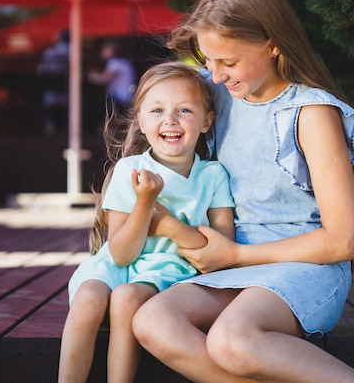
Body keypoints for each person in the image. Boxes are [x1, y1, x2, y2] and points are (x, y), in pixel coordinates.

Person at [132, 0, 354, 383]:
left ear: (273, 43)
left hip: (305, 267)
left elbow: (344, 241)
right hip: (231, 263)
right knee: (152, 321)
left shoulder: (310, 113)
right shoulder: (217, 96)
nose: (217, 74)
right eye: (208, 60)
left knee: (232, 340)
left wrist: (235, 256)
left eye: (228, 62)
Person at [58, 62, 235, 383]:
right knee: (88, 298)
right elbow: (121, 254)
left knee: (126, 298)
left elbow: (220, 253)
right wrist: (144, 203)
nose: (170, 119)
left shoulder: (212, 176)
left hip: (169, 270)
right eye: (157, 110)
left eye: (184, 110)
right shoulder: (129, 170)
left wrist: (167, 224)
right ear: (140, 120)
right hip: (115, 264)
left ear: (206, 120)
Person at [88, 40, 136, 111]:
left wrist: (91, 76)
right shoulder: (124, 62)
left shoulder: (114, 62)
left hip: (119, 99)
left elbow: (103, 79)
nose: (102, 51)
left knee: (92, 105)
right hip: (125, 98)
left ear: (112, 50)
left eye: (105, 49)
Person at [38, 29, 69, 136]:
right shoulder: (75, 51)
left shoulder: (50, 52)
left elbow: (41, 70)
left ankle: (51, 129)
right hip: (68, 88)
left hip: (53, 87)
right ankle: (66, 129)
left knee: (50, 107)